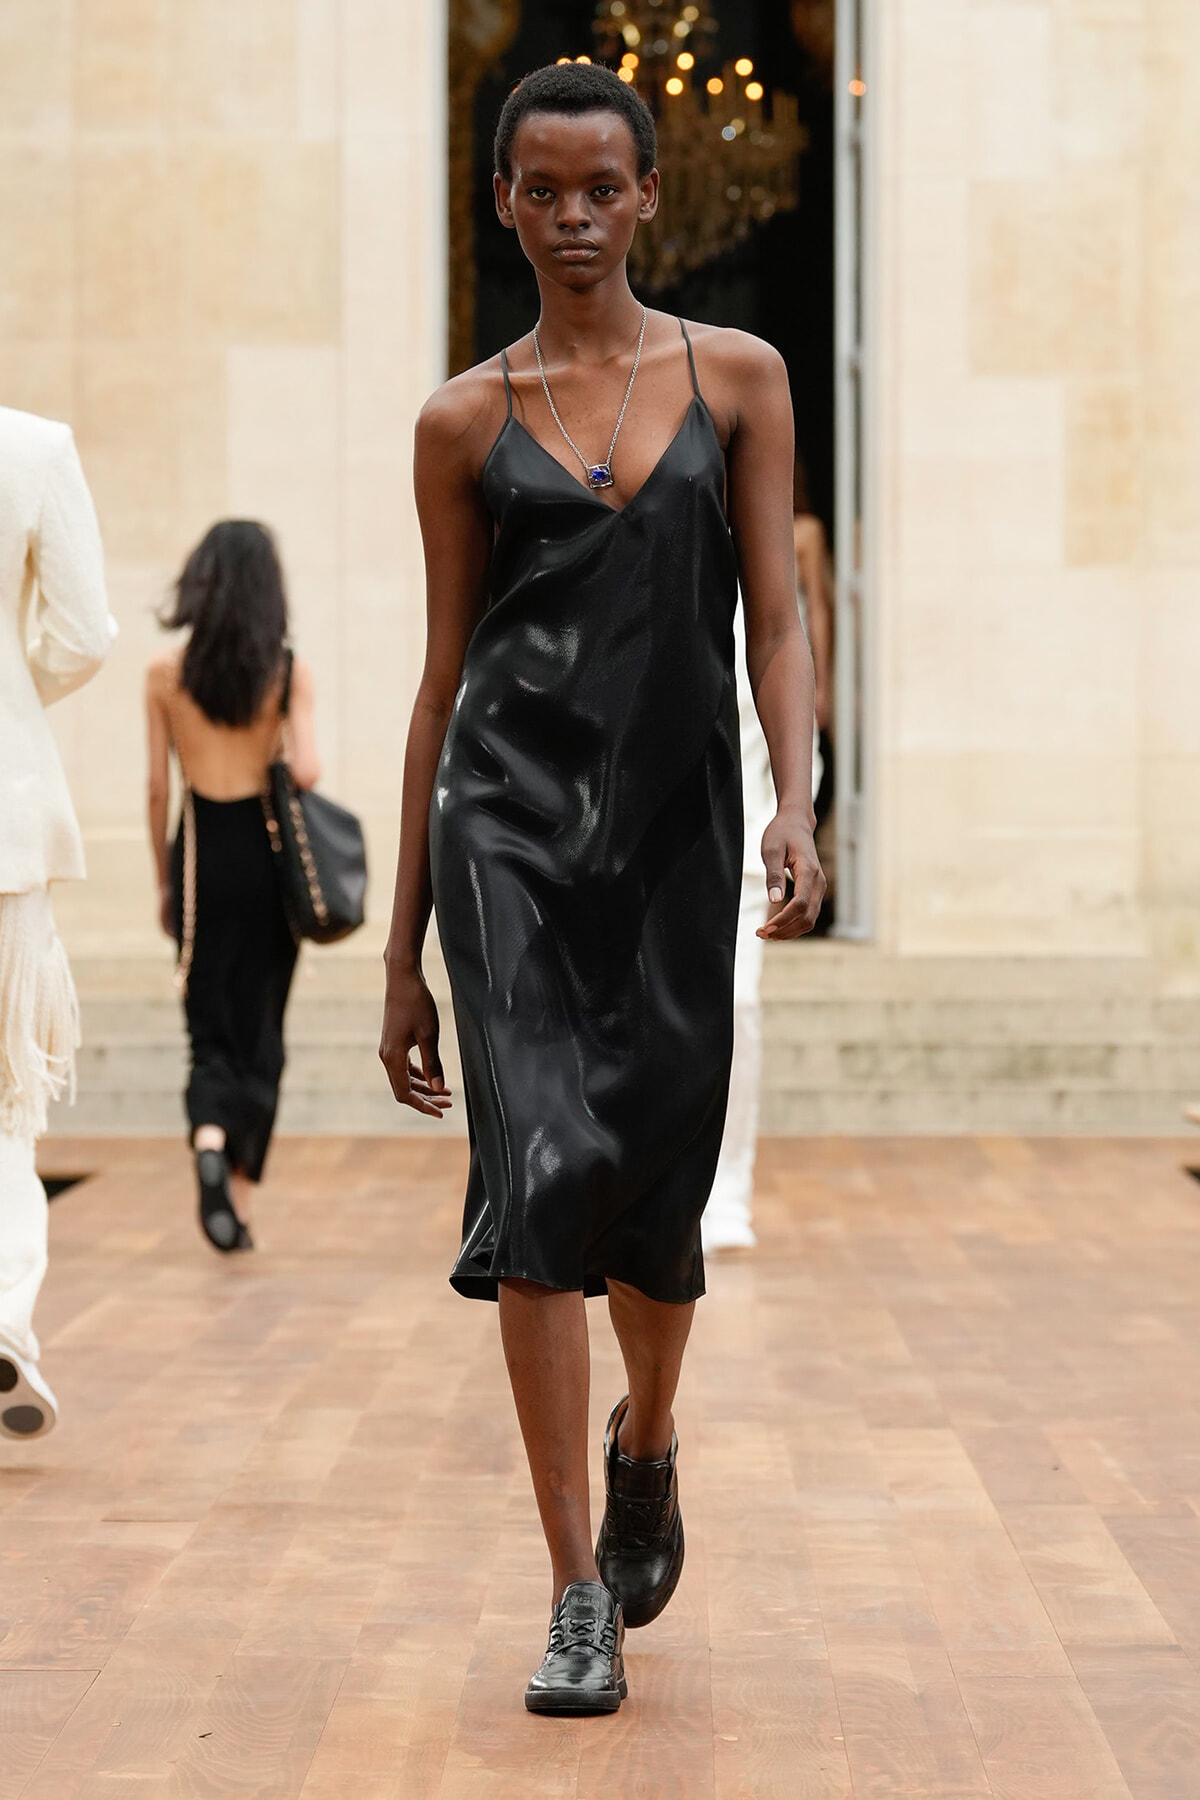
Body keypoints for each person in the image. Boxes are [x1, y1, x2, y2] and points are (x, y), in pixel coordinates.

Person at [378, 62, 824, 1715]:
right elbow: (440, 682)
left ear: (647, 196)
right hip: (505, 828)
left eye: (601, 188)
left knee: (652, 1198)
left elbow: (775, 616)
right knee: (542, 1177)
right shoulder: (462, 421)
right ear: (502, 201)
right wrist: (403, 951)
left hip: (676, 838)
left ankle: (651, 1440)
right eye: (542, 190)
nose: (573, 216)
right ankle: (575, 1589)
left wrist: (796, 800)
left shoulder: (740, 377)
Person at [145, 522, 319, 1254]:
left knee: (208, 1025)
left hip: (198, 859)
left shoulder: (164, 673)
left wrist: (164, 884)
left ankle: (210, 1140)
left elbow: (157, 789)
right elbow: (307, 771)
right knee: (261, 1026)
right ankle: (238, 1205)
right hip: (267, 861)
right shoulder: (285, 671)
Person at [0, 405, 116, 1439]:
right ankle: (2, 1317)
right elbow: (83, 634)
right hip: (6, 820)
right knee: (6, 1102)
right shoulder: (31, 448)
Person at [702, 481, 836, 1253]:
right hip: (653, 848)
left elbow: (797, 709)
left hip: (748, 841)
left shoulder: (770, 592)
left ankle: (728, 1194)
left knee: (738, 1010)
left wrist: (796, 814)